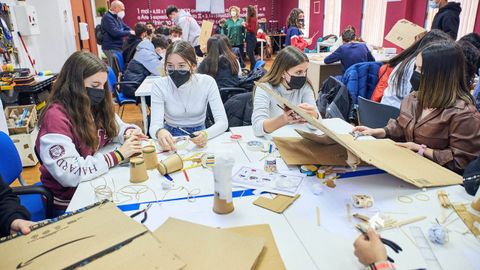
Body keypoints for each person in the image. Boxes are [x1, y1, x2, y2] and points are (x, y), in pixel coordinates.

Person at [36, 51, 147, 210]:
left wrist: (128, 132)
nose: (100, 91)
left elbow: (116, 127)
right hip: (70, 199)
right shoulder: (56, 117)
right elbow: (71, 173)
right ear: (74, 84)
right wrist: (118, 155)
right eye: (95, 85)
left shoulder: (91, 104)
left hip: (93, 183)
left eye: (103, 85)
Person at [354, 41, 480, 174]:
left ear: (440, 76)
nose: (415, 73)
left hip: (436, 179)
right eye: (416, 67)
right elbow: (401, 126)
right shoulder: (414, 98)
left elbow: (462, 163)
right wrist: (380, 131)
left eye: (421, 69)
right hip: (407, 169)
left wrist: (422, 150)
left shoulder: (464, 115)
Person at [149, 40, 228, 151]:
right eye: (170, 66)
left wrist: (206, 134)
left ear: (193, 65)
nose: (175, 71)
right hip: (171, 137)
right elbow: (154, 126)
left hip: (201, 135)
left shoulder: (207, 82)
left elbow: (223, 122)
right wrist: (159, 132)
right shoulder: (159, 85)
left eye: (181, 66)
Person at [252, 46, 319, 137]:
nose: (304, 76)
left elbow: (316, 126)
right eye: (298, 72)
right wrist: (283, 119)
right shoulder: (265, 88)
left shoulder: (305, 87)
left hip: (298, 139)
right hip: (273, 141)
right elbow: (257, 128)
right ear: (283, 73)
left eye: (305, 71)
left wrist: (314, 116)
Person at [380, 30, 451, 108]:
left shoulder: (407, 60)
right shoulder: (416, 65)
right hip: (397, 110)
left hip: (387, 106)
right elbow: (413, 100)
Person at [100, 0, 134, 67]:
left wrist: (132, 31)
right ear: (115, 8)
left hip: (118, 47)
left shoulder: (117, 17)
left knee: (120, 67)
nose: (123, 11)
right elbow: (115, 33)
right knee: (115, 68)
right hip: (111, 47)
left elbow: (125, 27)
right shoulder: (107, 18)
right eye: (122, 9)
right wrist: (129, 32)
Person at [245, 5, 258, 70]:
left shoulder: (252, 19)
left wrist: (245, 26)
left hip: (251, 37)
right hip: (250, 37)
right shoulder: (251, 18)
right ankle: (253, 68)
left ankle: (254, 68)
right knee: (249, 53)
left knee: (250, 53)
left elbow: (252, 29)